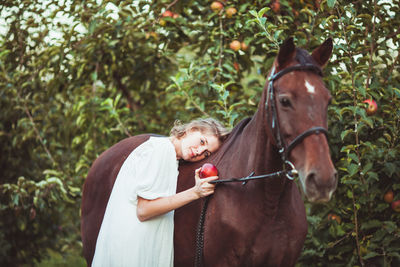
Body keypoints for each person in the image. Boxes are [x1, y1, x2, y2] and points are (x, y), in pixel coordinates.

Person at [91, 118, 230, 267]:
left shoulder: (166, 154)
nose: (199, 151)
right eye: (202, 142)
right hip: (132, 251)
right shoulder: (162, 151)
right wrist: (195, 193)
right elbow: (144, 210)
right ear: (192, 129)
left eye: (206, 154)